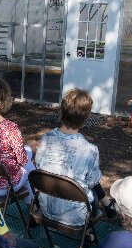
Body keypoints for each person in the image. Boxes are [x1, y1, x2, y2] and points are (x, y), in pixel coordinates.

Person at [34, 89, 115, 237]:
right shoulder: (90, 150)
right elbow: (92, 183)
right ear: (86, 118)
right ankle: (88, 233)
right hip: (76, 217)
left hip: (46, 208)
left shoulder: (45, 139)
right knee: (92, 191)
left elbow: (38, 166)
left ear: (61, 111)